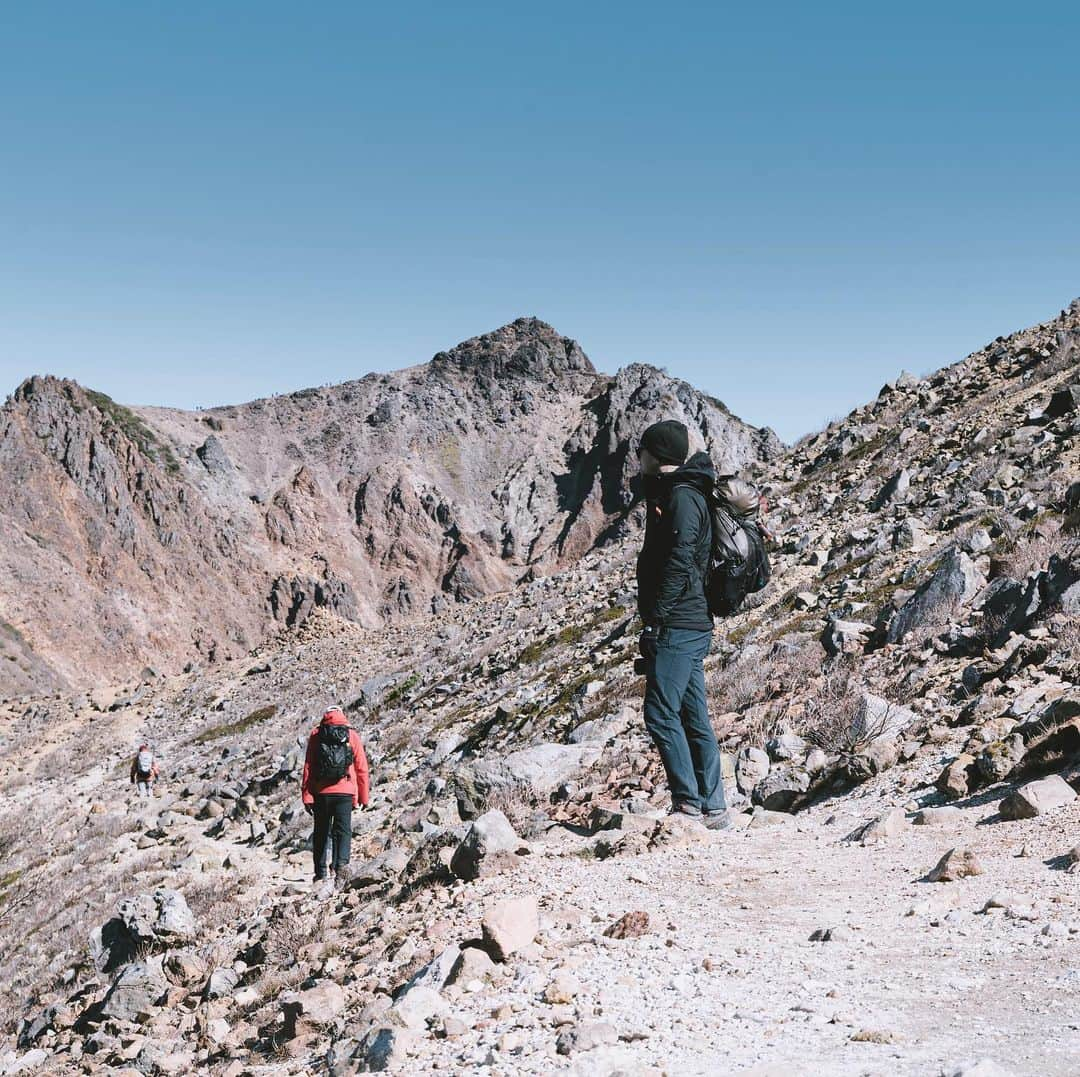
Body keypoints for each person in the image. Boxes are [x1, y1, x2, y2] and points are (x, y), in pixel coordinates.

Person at [636, 419, 732, 830]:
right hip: (689, 623)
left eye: (642, 451)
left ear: (657, 456)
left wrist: (656, 617)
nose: (638, 458)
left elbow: (678, 561)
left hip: (679, 623)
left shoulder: (682, 499)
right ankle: (713, 807)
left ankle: (688, 804)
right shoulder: (681, 495)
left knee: (659, 714)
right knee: (693, 715)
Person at [301, 707, 370, 893]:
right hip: (345, 792)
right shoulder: (351, 734)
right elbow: (361, 767)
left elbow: (308, 766)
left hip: (321, 792)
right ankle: (341, 869)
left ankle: (320, 873)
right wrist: (363, 795)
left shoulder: (317, 734)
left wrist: (306, 795)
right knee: (343, 831)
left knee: (321, 832)